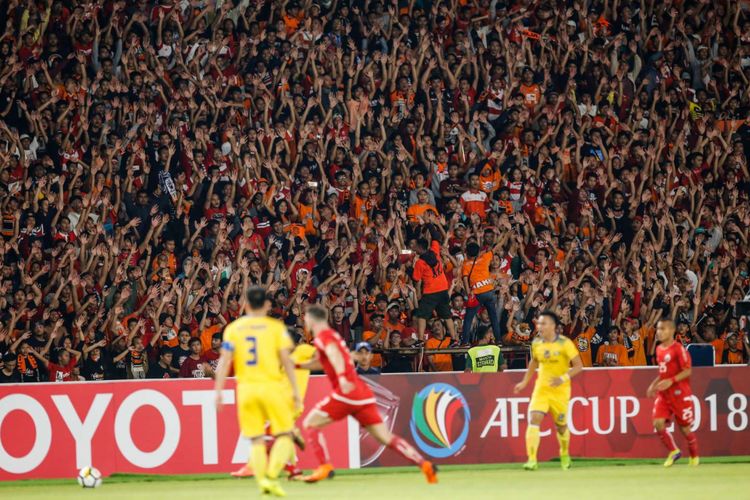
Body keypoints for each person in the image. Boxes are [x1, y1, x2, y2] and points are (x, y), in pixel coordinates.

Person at [299, 305, 437, 484]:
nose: (305, 321)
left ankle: (324, 466)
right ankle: (424, 465)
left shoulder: (323, 337)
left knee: (310, 424)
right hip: (361, 392)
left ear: (311, 319)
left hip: (346, 392)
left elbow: (332, 358)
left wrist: (299, 365)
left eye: (306, 318)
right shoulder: (332, 336)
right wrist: (302, 366)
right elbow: (329, 359)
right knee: (385, 437)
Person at [214, 286, 301, 497]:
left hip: (245, 389)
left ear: (246, 302)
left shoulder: (233, 329)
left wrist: (218, 391)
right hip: (271, 387)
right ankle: (271, 476)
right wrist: (296, 390)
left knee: (256, 439)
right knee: (286, 434)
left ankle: (263, 480)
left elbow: (224, 362)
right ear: (266, 304)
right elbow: (286, 360)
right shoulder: (275, 327)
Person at [514, 311, 583, 470]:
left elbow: (578, 366)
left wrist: (562, 378)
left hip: (560, 392)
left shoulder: (565, 343)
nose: (540, 326)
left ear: (553, 326)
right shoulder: (537, 343)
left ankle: (564, 454)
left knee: (561, 426)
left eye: (543, 323)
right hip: (542, 389)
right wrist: (525, 382)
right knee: (534, 418)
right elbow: (534, 362)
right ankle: (532, 460)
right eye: (539, 323)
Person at [647, 319, 699, 467]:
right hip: (664, 394)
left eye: (662, 329)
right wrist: (653, 385)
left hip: (680, 393)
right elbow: (662, 372)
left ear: (671, 331)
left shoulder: (678, 349)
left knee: (685, 428)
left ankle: (694, 456)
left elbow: (687, 370)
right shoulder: (658, 349)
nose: (659, 332)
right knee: (657, 422)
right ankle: (674, 451)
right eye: (658, 329)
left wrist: (672, 380)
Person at [412, 226, 456, 343]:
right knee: (447, 316)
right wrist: (429, 224)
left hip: (430, 292)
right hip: (443, 289)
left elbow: (416, 278)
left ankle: (420, 340)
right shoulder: (435, 251)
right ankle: (454, 339)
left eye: (415, 246)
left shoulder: (420, 263)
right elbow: (436, 236)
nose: (414, 248)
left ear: (420, 248)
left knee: (422, 316)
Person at [461, 242, 502, 344]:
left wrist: (468, 293)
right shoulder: (484, 258)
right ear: (478, 252)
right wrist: (506, 235)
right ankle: (499, 340)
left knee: (468, 318)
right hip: (489, 291)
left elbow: (465, 280)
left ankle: (465, 342)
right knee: (493, 318)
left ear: (467, 253)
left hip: (477, 293)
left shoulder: (465, 264)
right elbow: (496, 246)